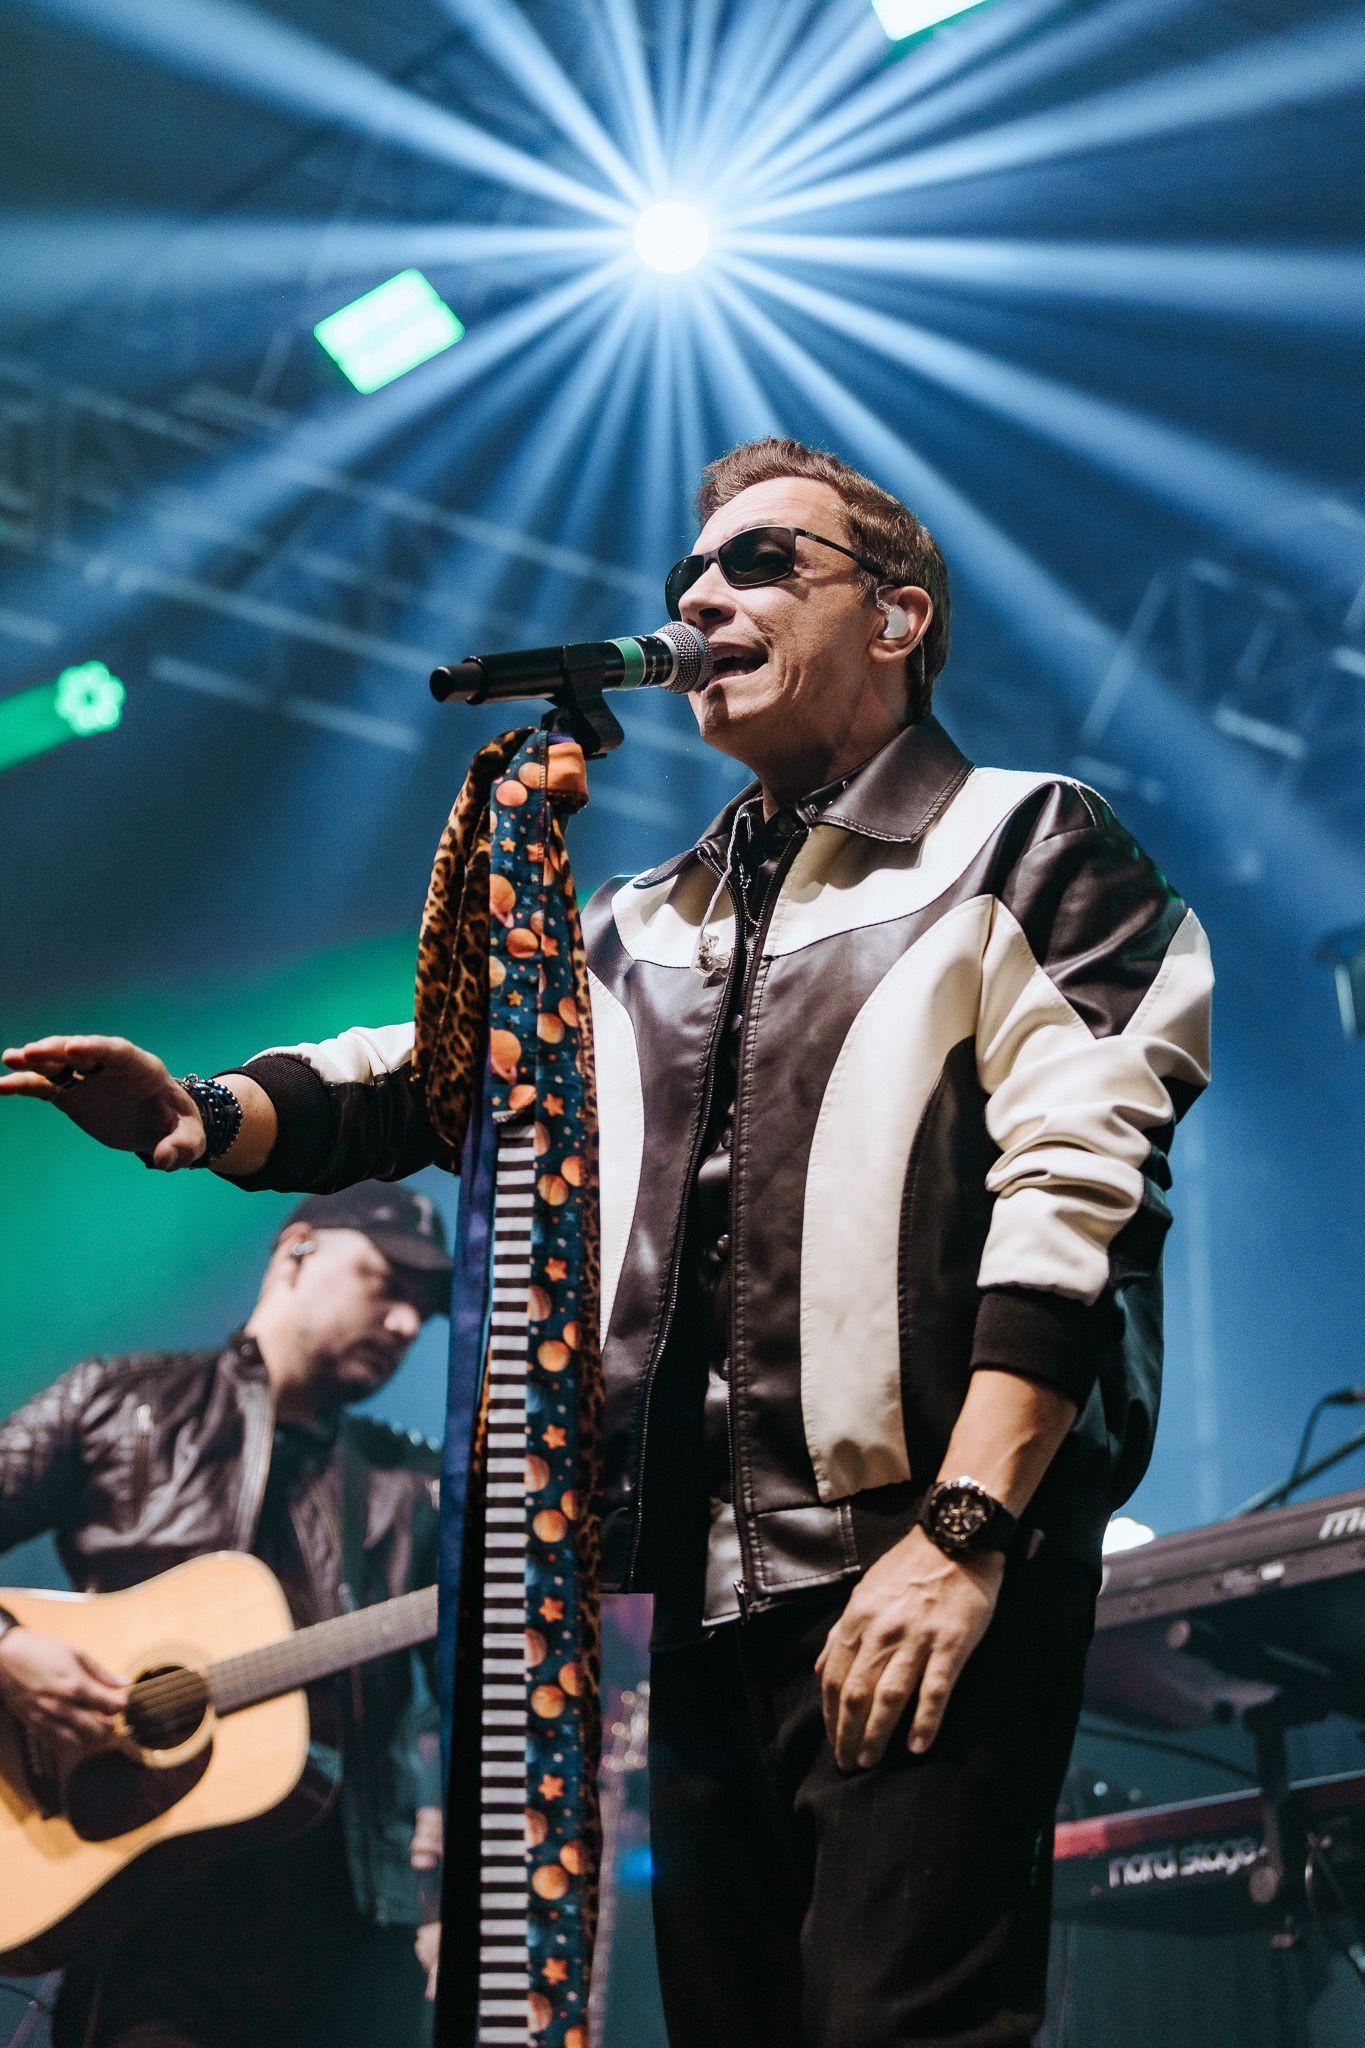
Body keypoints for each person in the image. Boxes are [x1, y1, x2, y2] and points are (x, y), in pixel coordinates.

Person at [1, 436, 1213, 2047]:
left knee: (904, 2023)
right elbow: (436, 1066)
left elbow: (1085, 1188)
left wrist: (967, 1529)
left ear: (899, 618)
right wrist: (206, 1110)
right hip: (699, 1586)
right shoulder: (654, 918)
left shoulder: (1026, 844)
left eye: (761, 563)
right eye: (686, 578)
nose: (703, 596)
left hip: (920, 1555)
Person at [0, 1182, 452, 2048]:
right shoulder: (116, 1403)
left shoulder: (420, 1484)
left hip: (352, 1936)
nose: (405, 1324)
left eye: (426, 1309)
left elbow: (480, 1706)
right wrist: (11, 1652)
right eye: (387, 1282)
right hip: (144, 1926)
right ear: (296, 1252)